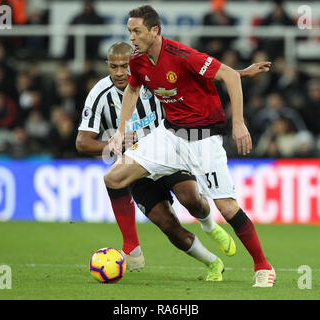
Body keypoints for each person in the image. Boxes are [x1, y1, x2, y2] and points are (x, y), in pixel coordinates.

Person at [105, 5, 275, 287]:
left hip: (203, 139)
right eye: (129, 31)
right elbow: (133, 89)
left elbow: (227, 76)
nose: (132, 37)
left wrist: (239, 123)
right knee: (114, 177)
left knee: (226, 206)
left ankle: (263, 266)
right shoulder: (137, 61)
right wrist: (121, 131)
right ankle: (131, 249)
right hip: (169, 135)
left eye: (137, 31)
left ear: (154, 30)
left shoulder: (181, 55)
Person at [77, 42, 234, 280]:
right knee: (169, 225)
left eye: (124, 66)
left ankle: (209, 225)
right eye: (113, 66)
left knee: (192, 199)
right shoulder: (99, 94)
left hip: (168, 152)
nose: (120, 72)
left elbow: (196, 84)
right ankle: (212, 263)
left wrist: (237, 74)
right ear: (106, 65)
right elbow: (82, 142)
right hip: (137, 167)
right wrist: (111, 146)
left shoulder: (152, 79)